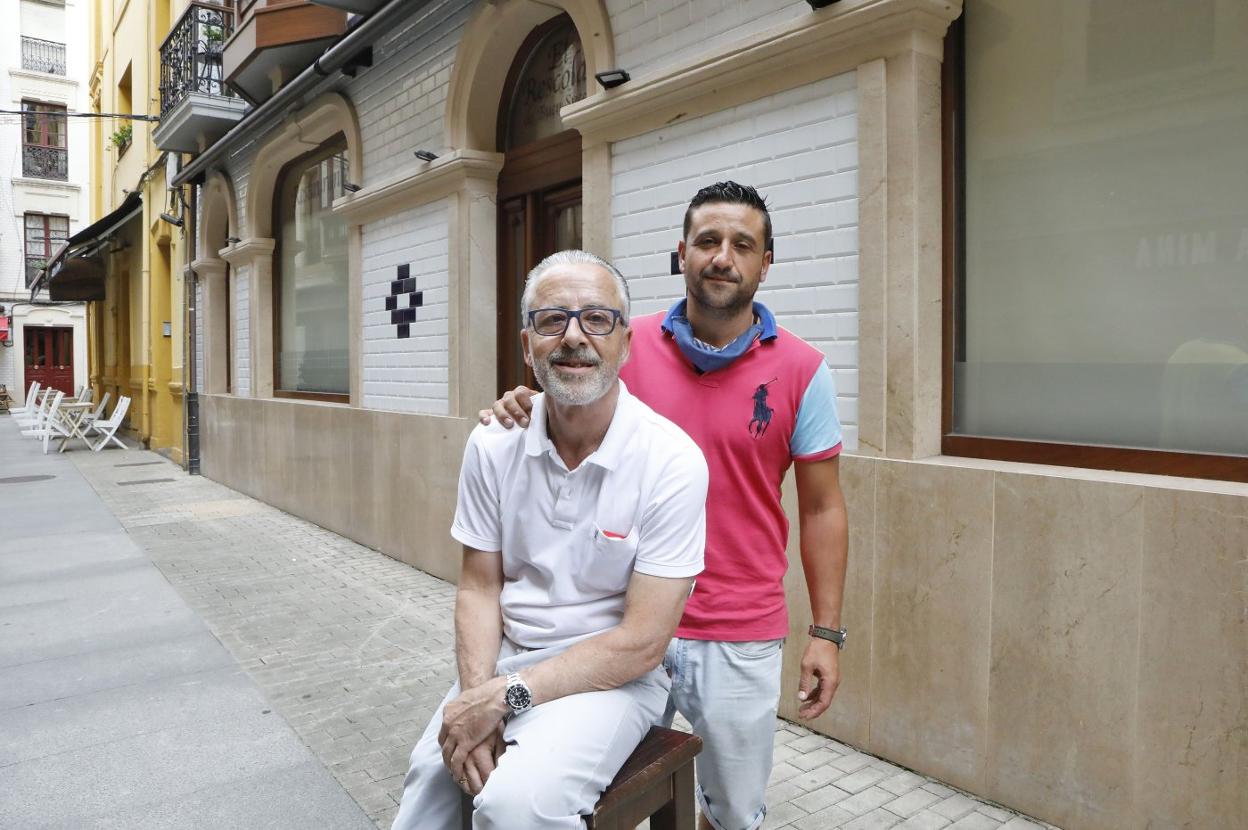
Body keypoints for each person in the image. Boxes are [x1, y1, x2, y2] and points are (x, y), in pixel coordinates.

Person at [485, 182, 850, 830]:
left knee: (733, 812)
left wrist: (826, 633)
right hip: (620, 621)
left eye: (743, 244)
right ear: (680, 253)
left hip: (739, 630)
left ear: (768, 262)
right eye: (708, 241)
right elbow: (560, 419)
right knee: (599, 793)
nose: (722, 257)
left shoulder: (803, 371)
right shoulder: (623, 347)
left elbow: (822, 508)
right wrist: (522, 407)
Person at [392, 250, 709, 830]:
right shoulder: (493, 443)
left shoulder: (671, 461)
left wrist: (502, 699)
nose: (574, 337)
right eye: (551, 320)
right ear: (525, 344)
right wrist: (476, 696)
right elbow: (480, 587)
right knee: (429, 791)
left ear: (626, 342)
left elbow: (641, 643)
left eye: (597, 319)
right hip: (509, 663)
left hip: (612, 682)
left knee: (517, 807)